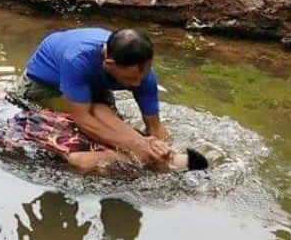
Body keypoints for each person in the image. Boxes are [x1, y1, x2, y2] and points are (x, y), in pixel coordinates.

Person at [0, 79, 209, 176]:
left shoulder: (125, 168)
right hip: (31, 116)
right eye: (171, 152)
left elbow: (79, 160)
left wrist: (132, 158)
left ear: (162, 171)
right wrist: (139, 139)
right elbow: (101, 110)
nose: (164, 151)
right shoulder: (135, 139)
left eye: (167, 158)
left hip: (13, 139)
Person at [10, 27, 173, 167]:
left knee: (109, 123)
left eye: (142, 76)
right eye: (130, 79)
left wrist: (163, 151)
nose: (137, 84)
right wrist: (134, 144)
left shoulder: (143, 75)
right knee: (60, 134)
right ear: (109, 64)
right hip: (43, 85)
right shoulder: (76, 60)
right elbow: (83, 120)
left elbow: (155, 127)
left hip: (90, 82)